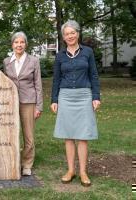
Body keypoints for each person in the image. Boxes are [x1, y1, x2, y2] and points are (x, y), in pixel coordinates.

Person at [50, 20, 101, 187]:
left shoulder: (88, 52)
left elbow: (93, 75)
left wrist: (96, 96)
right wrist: (54, 99)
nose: (70, 36)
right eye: (66, 34)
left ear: (78, 34)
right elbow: (56, 79)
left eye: (72, 33)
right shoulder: (60, 56)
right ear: (63, 37)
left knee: (83, 136)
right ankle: (71, 170)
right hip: (65, 97)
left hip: (84, 96)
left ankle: (83, 172)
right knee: (68, 136)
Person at [3, 31, 43, 176]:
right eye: (16, 42)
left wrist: (39, 106)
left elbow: (38, 84)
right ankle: (12, 160)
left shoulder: (34, 61)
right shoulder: (7, 62)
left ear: (26, 44)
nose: (19, 45)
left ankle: (27, 164)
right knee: (10, 133)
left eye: (22, 42)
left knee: (28, 135)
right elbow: (5, 83)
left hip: (28, 102)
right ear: (12, 44)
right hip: (11, 103)